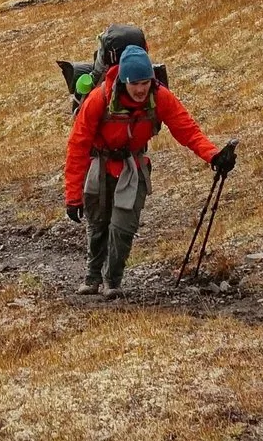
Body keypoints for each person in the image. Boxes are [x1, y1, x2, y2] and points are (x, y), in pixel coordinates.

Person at [64, 46, 235, 297]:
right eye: (135, 83)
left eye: (145, 82)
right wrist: (72, 196)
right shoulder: (100, 99)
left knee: (122, 227)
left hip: (132, 168)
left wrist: (213, 155)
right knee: (98, 224)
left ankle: (113, 282)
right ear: (124, 80)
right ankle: (92, 278)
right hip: (99, 168)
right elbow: (77, 145)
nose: (141, 89)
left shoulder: (160, 96)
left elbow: (186, 129)